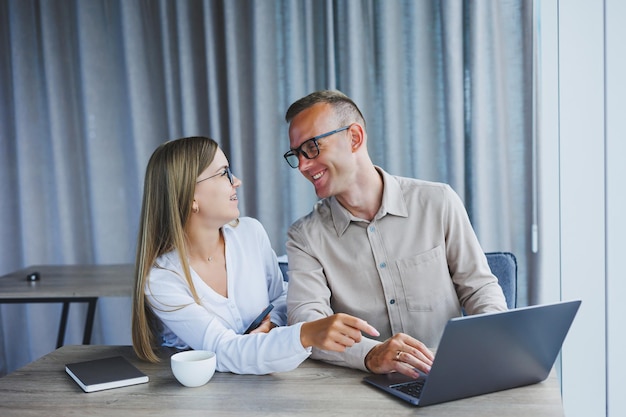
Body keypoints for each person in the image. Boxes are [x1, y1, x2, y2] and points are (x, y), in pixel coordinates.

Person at [283, 90, 508, 379]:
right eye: (296, 154)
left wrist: (496, 338)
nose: (302, 165)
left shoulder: (437, 202)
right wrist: (370, 354)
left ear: (354, 137)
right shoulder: (304, 237)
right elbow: (308, 324)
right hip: (361, 386)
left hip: (450, 375)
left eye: (312, 148)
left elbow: (478, 289)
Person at [131, 136, 379, 375]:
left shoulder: (250, 233)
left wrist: (274, 324)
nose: (236, 181)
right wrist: (306, 333)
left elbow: (281, 296)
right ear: (190, 196)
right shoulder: (162, 279)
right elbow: (223, 350)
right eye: (223, 173)